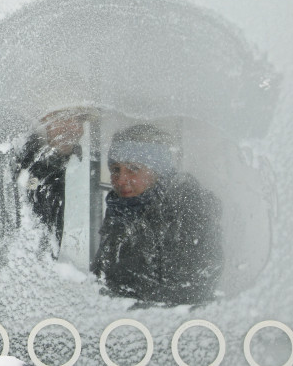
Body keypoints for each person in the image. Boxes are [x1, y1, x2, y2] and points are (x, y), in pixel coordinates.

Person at [93, 124, 223, 306]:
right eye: (115, 169)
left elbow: (190, 288)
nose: (120, 179)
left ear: (159, 170)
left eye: (133, 168)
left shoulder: (185, 211)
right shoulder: (121, 209)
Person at [14, 108, 89, 256]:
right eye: (65, 118)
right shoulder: (28, 163)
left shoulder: (77, 164)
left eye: (80, 120)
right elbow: (27, 192)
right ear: (45, 120)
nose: (75, 128)